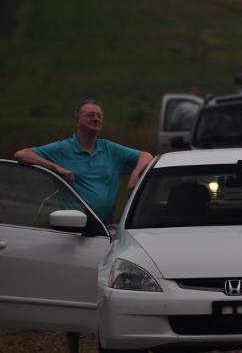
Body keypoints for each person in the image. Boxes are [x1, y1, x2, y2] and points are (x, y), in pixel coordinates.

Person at [13, 99, 153, 353]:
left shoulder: (109, 149)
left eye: (99, 115)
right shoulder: (62, 149)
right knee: (74, 289)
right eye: (90, 115)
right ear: (77, 120)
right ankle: (73, 349)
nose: (96, 119)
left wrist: (134, 174)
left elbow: (146, 156)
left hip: (104, 230)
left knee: (106, 288)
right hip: (73, 231)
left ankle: (105, 344)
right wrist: (55, 168)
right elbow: (21, 155)